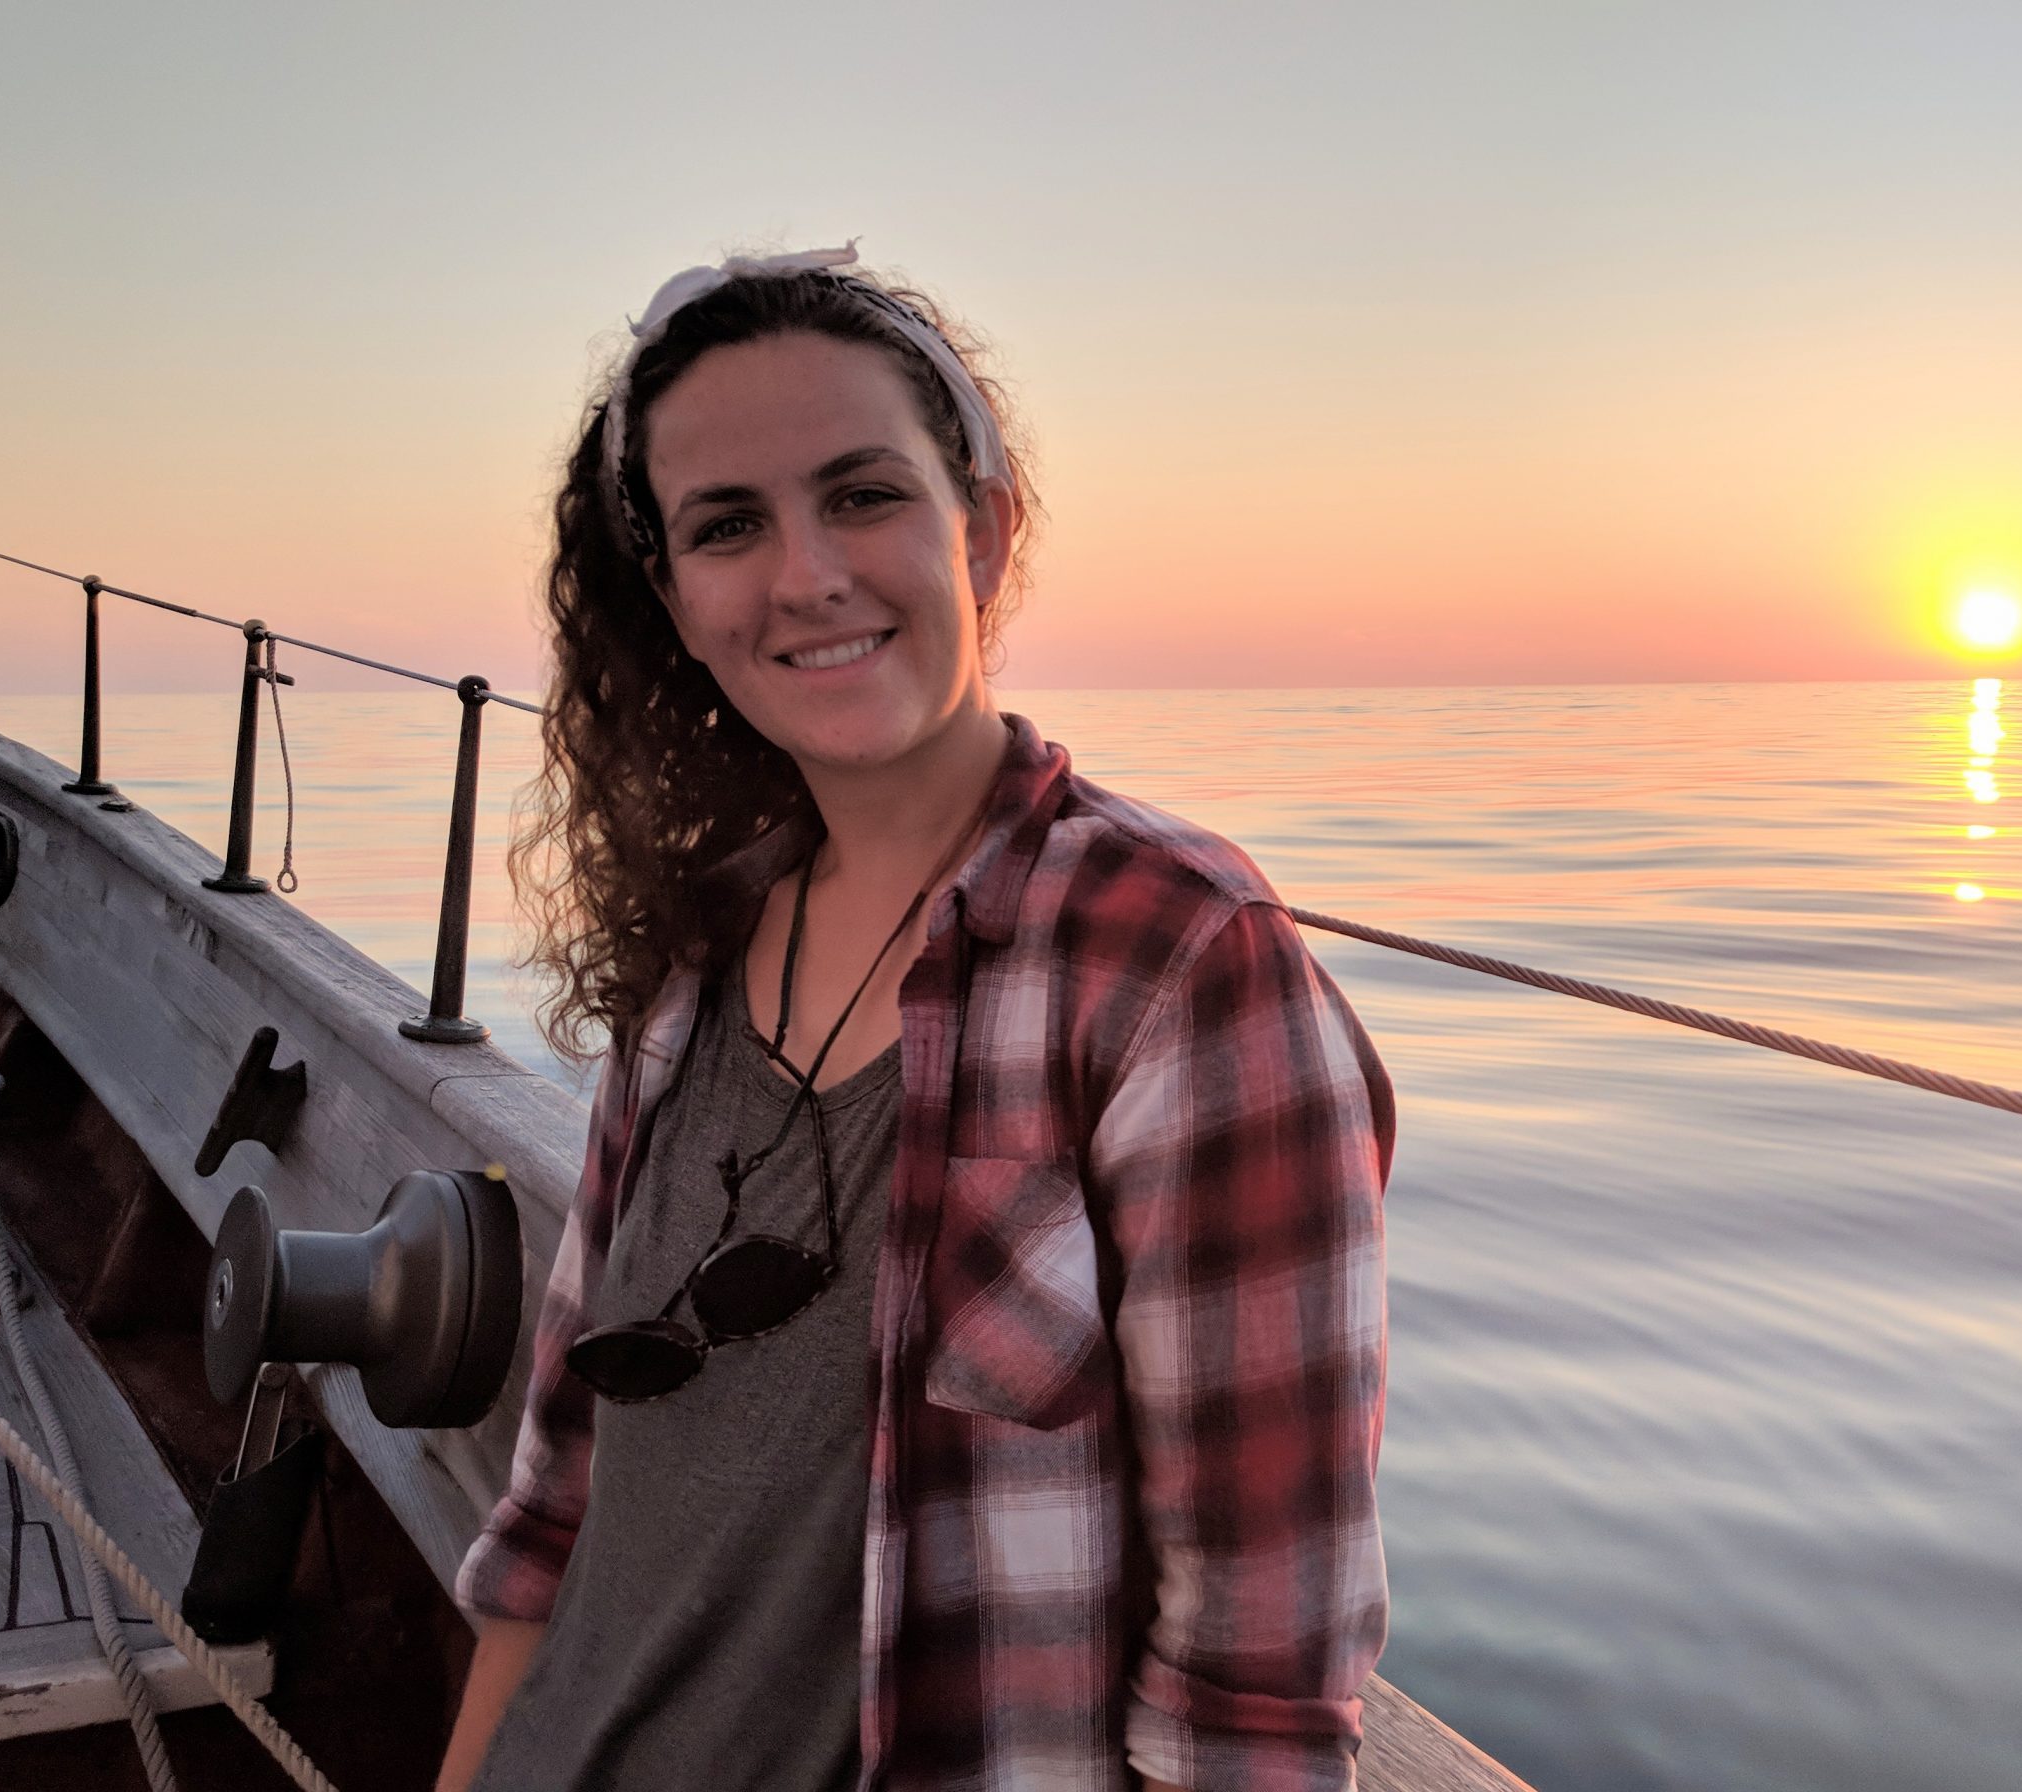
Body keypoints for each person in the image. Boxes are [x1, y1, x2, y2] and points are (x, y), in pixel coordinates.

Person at [436, 247, 1395, 1792]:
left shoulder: (1176, 965)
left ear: (984, 530)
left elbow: (1255, 1698)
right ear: (677, 605)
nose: (807, 574)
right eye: (728, 527)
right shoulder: (694, 956)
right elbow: (555, 1504)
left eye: (863, 494)